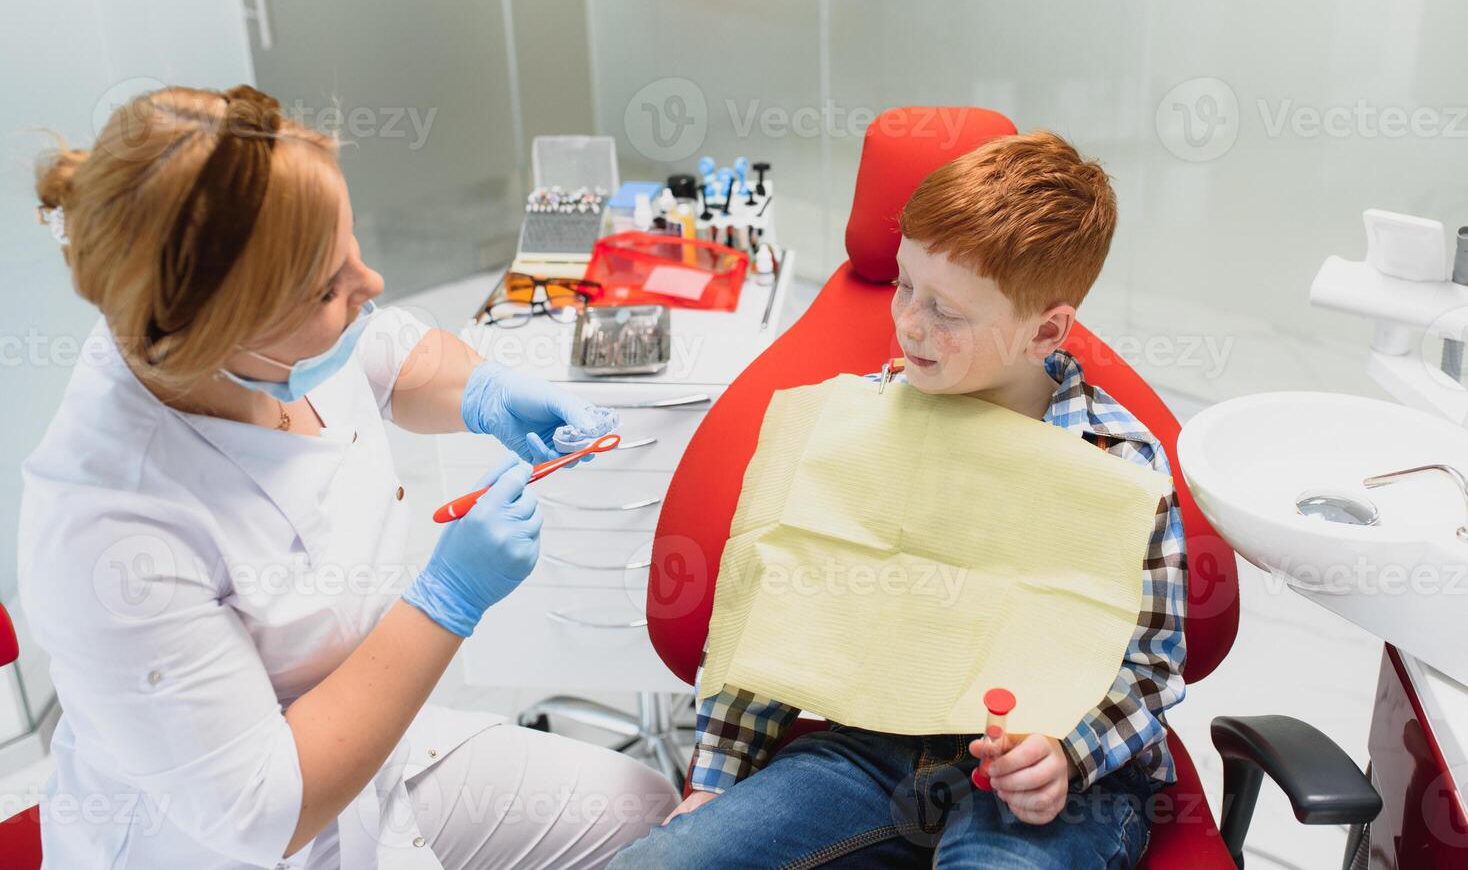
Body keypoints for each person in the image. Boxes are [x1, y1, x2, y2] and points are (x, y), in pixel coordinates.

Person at [18, 84, 677, 869]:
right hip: (235, 838)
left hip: (367, 758)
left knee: (646, 813)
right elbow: (267, 809)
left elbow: (388, 352)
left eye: (350, 249)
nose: (370, 285)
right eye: (329, 287)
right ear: (224, 331)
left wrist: (485, 391)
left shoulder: (229, 336)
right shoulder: (108, 537)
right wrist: (448, 600)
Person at [611, 131, 1185, 868]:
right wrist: (717, 786)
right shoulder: (860, 423)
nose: (909, 320)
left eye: (946, 310)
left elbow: (1151, 662)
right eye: (905, 286)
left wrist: (1066, 755)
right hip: (877, 740)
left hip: (1050, 775)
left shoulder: (1117, 463)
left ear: (1045, 330)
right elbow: (772, 614)